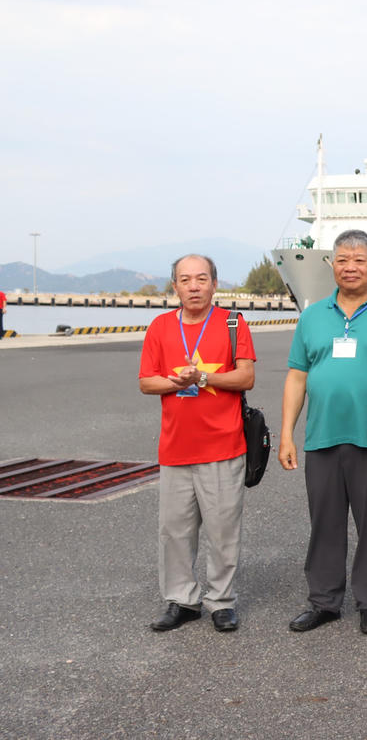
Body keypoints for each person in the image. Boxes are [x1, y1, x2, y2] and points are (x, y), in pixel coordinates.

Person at [279, 229, 367, 636]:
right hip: (321, 437)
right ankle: (323, 602)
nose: (350, 267)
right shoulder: (312, 316)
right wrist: (287, 434)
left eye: (359, 260)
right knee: (324, 522)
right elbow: (296, 376)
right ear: (332, 265)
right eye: (342, 259)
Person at [138, 255, 256, 633]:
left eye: (201, 279)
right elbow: (146, 382)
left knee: (223, 530)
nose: (193, 286)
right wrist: (177, 381)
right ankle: (182, 600)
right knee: (174, 531)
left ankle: (221, 601)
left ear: (214, 284)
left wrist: (202, 376)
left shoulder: (233, 323)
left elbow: (246, 377)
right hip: (175, 448)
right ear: (175, 286)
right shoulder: (159, 327)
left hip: (223, 444)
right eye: (185, 280)